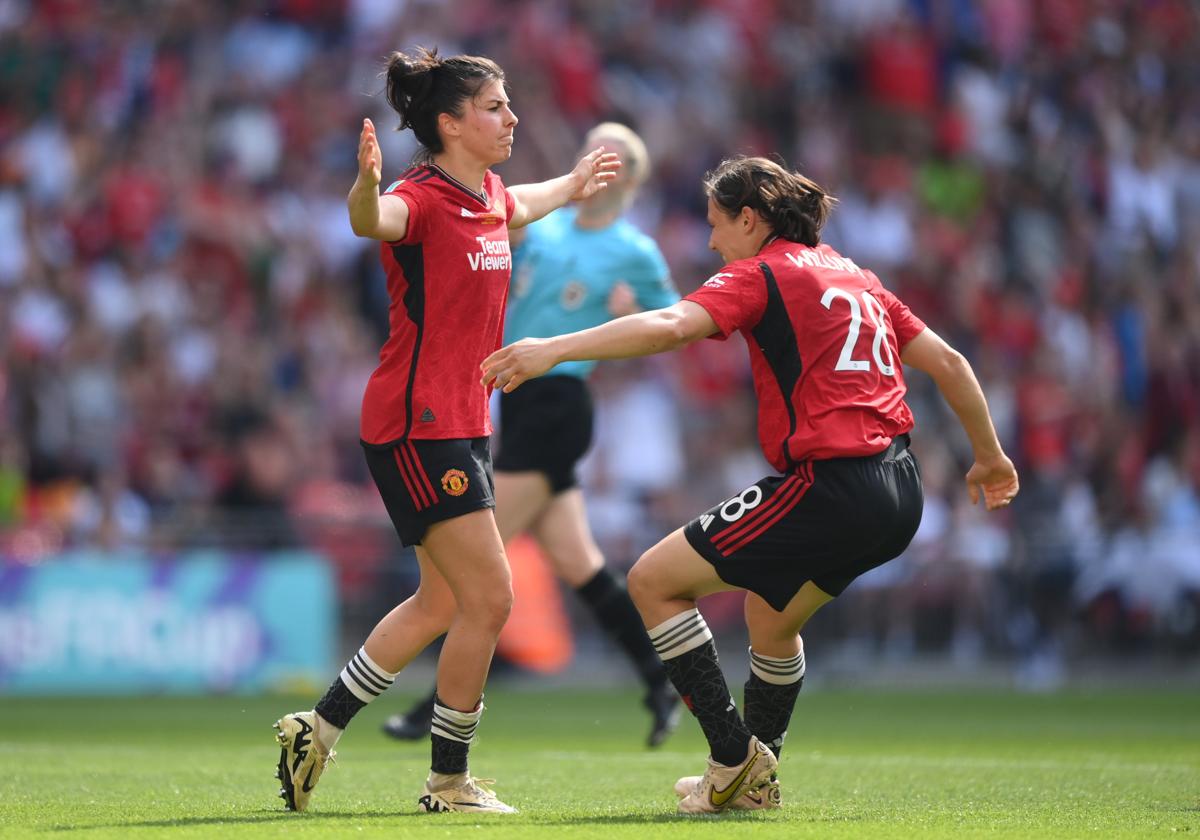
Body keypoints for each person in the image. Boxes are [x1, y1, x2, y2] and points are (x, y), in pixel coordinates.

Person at [481, 155, 1020, 814]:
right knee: (770, 617)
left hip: (833, 483)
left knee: (652, 580)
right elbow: (950, 361)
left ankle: (733, 761)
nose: (710, 242)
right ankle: (751, 781)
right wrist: (989, 456)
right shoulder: (858, 276)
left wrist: (555, 348)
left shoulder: (763, 273)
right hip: (902, 491)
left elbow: (671, 326)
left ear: (749, 217)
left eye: (716, 224)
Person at [272, 46, 619, 816]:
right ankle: (449, 782)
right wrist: (363, 191)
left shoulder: (489, 193)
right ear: (450, 123)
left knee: (438, 604)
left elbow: (520, 202)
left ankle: (316, 730)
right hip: (415, 424)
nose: (511, 116)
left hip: (457, 424)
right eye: (495, 106)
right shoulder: (418, 198)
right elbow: (375, 221)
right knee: (490, 599)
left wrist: (574, 182)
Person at [382, 122, 682, 749]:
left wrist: (634, 314)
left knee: (473, 567)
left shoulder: (636, 252)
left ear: (631, 177)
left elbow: (676, 320)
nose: (598, 159)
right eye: (591, 145)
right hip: (511, 400)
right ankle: (662, 680)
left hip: (559, 403)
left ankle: (430, 709)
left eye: (616, 154)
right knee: (581, 564)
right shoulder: (543, 225)